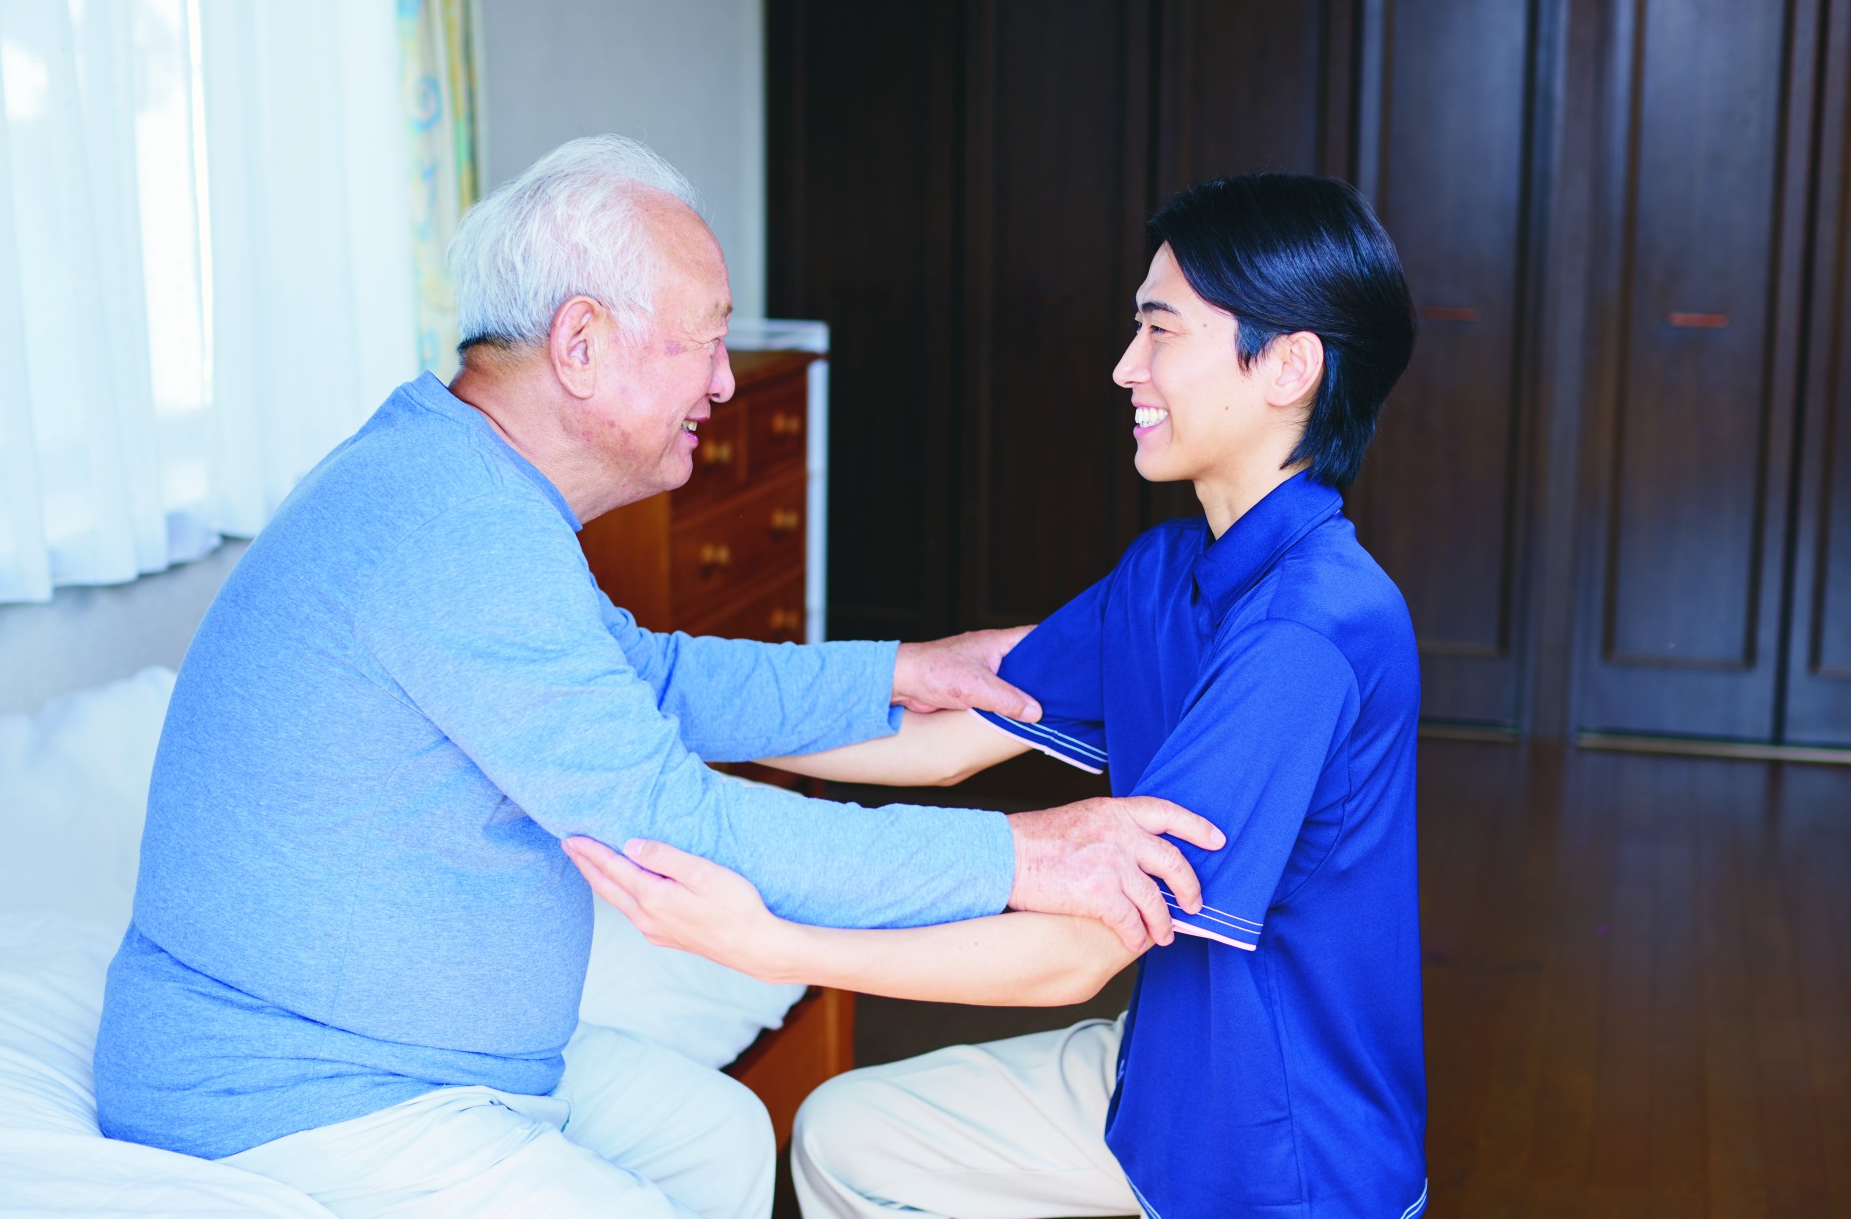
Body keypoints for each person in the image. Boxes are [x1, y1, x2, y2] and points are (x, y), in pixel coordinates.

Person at [91, 136, 1223, 1219]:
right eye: (706, 340)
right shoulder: (453, 531)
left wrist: (902, 667)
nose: (726, 381)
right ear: (580, 344)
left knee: (719, 1137)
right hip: (305, 1090)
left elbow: (653, 678)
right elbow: (676, 825)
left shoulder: (463, 480)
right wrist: (1024, 853)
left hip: (443, 1055)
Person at [570, 172, 1427, 1219]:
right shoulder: (1169, 573)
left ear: (1290, 365)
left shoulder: (1310, 635)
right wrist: (633, 700)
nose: (1125, 366)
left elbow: (1080, 950)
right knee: (848, 1140)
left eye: (1161, 330)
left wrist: (769, 942)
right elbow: (943, 735)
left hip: (1280, 1158)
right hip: (1162, 1078)